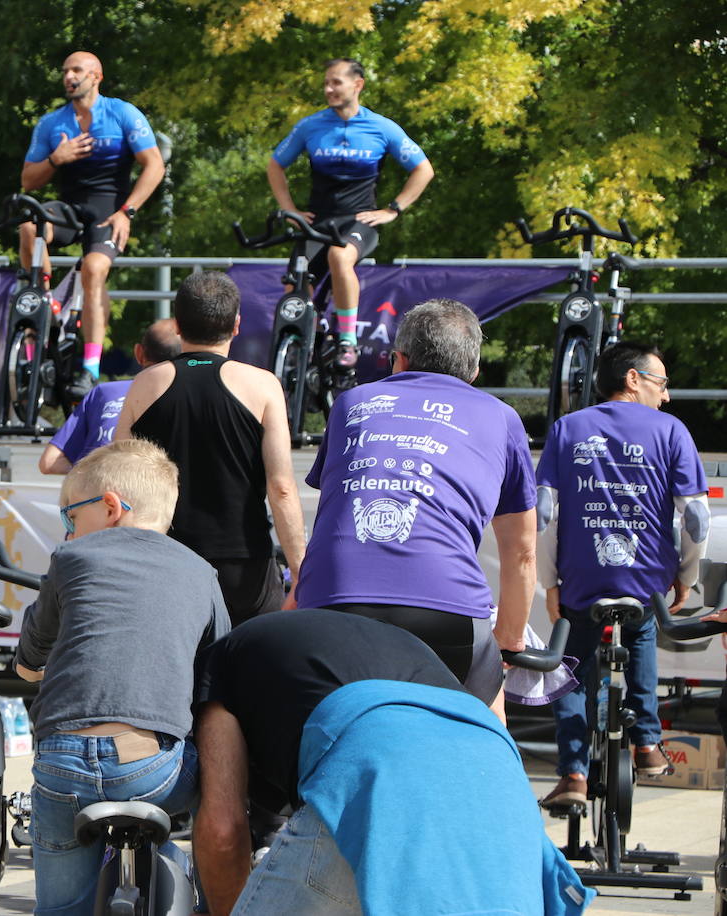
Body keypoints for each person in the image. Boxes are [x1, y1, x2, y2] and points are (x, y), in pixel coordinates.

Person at [193, 609, 592, 915]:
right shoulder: (382, 647)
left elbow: (224, 828)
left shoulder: (219, 665)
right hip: (503, 795)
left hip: (380, 774)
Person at [15, 438, 230, 916]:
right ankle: (183, 872)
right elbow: (219, 669)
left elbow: (33, 650)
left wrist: (30, 667)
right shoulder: (201, 572)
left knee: (60, 903)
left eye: (72, 516)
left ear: (110, 507)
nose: (69, 532)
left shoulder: (70, 560)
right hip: (150, 771)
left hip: (62, 765)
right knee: (211, 765)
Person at [293, 298, 536, 714]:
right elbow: (522, 551)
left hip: (333, 602)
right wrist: (509, 641)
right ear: (474, 372)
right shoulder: (501, 417)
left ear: (397, 360)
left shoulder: (352, 404)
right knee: (484, 720)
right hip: (447, 606)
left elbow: (333, 521)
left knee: (314, 727)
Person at [536, 342, 708, 807]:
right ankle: (648, 744)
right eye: (662, 383)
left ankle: (572, 773)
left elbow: (545, 515)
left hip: (582, 579)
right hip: (646, 576)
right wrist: (686, 576)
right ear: (633, 379)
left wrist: (550, 582)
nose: (666, 396)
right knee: (642, 634)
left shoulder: (567, 429)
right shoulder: (671, 431)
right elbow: (695, 518)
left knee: (570, 668)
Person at [116, 271, 304, 624]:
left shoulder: (146, 384)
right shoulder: (262, 386)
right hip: (245, 562)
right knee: (251, 669)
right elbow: (281, 487)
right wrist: (300, 571)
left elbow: (122, 479)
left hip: (169, 557)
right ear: (236, 325)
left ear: (176, 325)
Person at [267, 58, 434, 369]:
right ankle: (306, 345)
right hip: (317, 220)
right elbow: (276, 165)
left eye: (336, 82)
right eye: (326, 83)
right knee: (295, 286)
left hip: (359, 221)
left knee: (340, 256)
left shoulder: (382, 127)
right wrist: (289, 210)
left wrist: (393, 209)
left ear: (358, 85)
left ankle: (347, 342)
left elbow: (423, 170)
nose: (328, 89)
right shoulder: (310, 125)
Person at [22, 51, 166, 399]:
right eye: (65, 70)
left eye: (77, 70)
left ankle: (90, 367)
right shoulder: (52, 123)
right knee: (29, 226)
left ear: (96, 76)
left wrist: (127, 212)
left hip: (109, 213)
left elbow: (155, 166)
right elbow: (28, 180)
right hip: (70, 208)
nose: (69, 76)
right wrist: (57, 159)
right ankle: (43, 302)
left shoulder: (121, 113)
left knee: (93, 268)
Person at [38, 318, 180, 475]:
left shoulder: (104, 393)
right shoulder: (185, 398)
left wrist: (94, 474)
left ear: (138, 353)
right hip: (146, 492)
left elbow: (49, 462)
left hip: (90, 493)